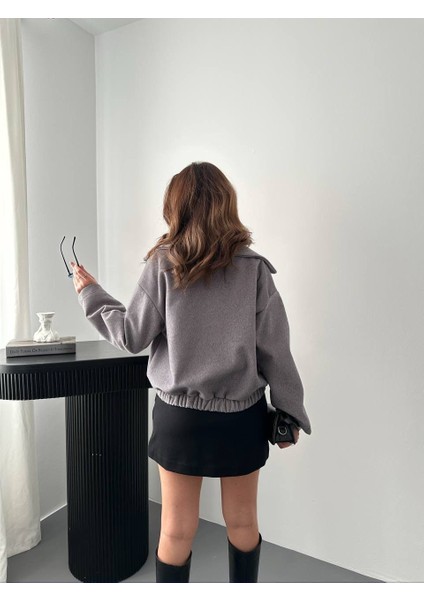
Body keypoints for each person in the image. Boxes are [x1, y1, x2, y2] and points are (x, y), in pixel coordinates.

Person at [71, 161, 312, 584]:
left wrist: (91, 293)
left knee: (175, 529)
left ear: (175, 207)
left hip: (179, 420)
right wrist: (290, 412)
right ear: (227, 204)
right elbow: (275, 348)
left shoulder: (163, 264)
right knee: (243, 523)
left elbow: (131, 335)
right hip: (241, 418)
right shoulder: (254, 269)